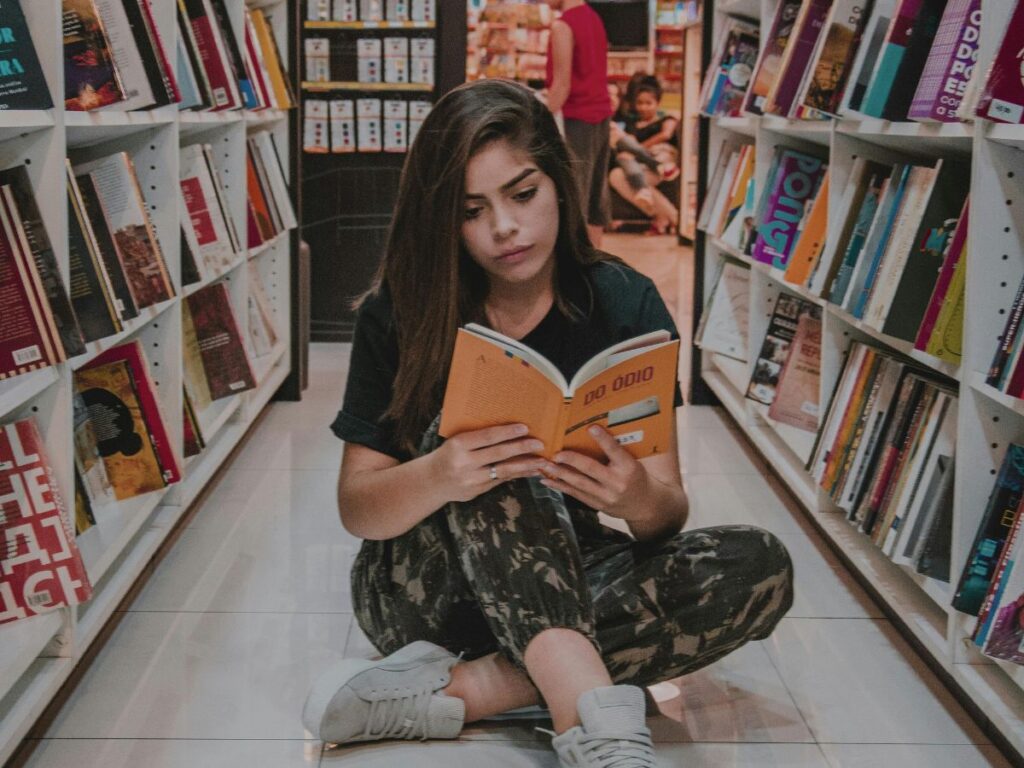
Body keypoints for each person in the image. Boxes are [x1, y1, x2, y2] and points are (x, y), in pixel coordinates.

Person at [302, 79, 793, 768]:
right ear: (445, 221)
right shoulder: (398, 311)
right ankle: (593, 723)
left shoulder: (625, 301)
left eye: (523, 194)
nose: (505, 227)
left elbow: (665, 514)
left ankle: (474, 689)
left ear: (559, 182)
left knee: (760, 566)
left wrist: (635, 499)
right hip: (422, 593)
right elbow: (359, 508)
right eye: (472, 211)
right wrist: (444, 471)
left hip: (565, 573)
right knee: (502, 447)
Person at [545, 0, 613, 247]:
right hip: (601, 117)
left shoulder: (563, 27)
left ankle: (575, 271)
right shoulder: (595, 19)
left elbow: (562, 86)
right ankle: (594, 269)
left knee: (574, 200)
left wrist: (537, 119)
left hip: (576, 121)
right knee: (595, 199)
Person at [608, 77, 680, 234]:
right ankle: (665, 216)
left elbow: (666, 135)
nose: (643, 108)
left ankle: (672, 217)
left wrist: (638, 149)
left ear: (657, 103)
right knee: (617, 174)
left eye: (648, 103)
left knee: (619, 175)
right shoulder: (631, 125)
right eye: (640, 103)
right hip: (638, 165)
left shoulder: (667, 119)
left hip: (662, 161)